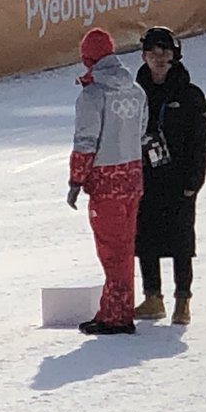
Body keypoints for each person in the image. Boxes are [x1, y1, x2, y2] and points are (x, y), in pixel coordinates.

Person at [67, 27, 148, 336]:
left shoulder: (92, 94)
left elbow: (85, 142)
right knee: (124, 249)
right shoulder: (136, 89)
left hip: (105, 182)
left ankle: (116, 315)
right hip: (133, 177)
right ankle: (119, 309)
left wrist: (76, 180)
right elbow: (141, 130)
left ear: (87, 58)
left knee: (111, 252)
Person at [134, 26, 206, 326]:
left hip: (179, 179)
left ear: (175, 55)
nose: (159, 57)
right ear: (144, 55)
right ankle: (153, 298)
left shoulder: (190, 95)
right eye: (153, 51)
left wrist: (195, 180)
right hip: (145, 177)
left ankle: (183, 301)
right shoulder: (136, 92)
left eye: (165, 51)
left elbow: (201, 140)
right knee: (145, 240)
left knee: (181, 242)